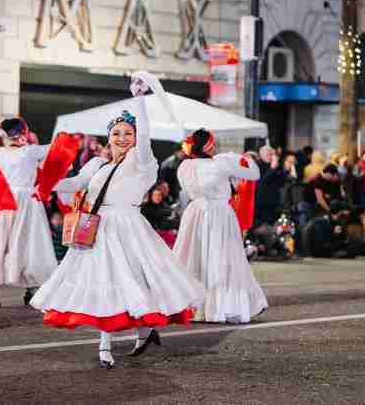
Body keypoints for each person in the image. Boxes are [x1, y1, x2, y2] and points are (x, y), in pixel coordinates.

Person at [31, 71, 204, 370]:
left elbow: (146, 134)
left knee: (135, 282)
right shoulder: (97, 163)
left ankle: (140, 332)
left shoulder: (143, 163)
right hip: (98, 228)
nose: (122, 138)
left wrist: (139, 101)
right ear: (108, 138)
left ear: (136, 138)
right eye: (116, 134)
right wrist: (45, 184)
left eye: (128, 133)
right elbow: (75, 183)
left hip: (129, 227)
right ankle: (106, 344)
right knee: (105, 283)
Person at [173, 128, 267, 324]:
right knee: (222, 259)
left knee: (193, 257)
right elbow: (254, 174)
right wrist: (243, 158)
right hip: (219, 215)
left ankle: (192, 306)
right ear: (209, 145)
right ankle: (220, 306)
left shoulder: (184, 166)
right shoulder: (221, 164)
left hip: (195, 212)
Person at [0, 117, 58, 308]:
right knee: (29, 243)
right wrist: (66, 136)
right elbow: (55, 148)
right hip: (26, 201)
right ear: (21, 133)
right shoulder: (29, 151)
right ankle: (31, 288)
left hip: (5, 200)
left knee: (1, 241)